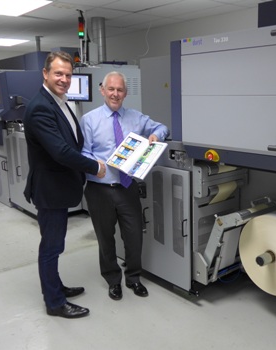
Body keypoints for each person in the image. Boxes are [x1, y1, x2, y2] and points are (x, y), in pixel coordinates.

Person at [23, 51, 106, 318]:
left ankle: (55, 286)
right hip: (50, 190)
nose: (64, 79)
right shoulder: (40, 107)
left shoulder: (59, 101)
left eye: (68, 75)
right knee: (51, 247)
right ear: (45, 74)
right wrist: (95, 167)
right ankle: (55, 303)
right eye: (58, 73)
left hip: (60, 186)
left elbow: (73, 142)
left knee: (55, 245)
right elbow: (60, 151)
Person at [80, 71, 169, 301]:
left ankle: (133, 278)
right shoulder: (89, 120)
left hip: (127, 187)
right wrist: (93, 164)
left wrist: (156, 136)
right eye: (111, 89)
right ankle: (113, 280)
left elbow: (162, 127)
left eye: (120, 90)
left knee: (133, 235)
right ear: (102, 90)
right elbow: (83, 151)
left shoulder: (136, 118)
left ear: (125, 93)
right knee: (105, 238)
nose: (115, 94)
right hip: (99, 188)